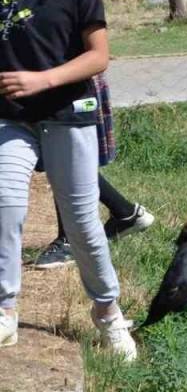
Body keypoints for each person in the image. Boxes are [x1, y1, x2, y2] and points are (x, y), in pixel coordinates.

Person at [0, 0, 136, 358]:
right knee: (5, 204)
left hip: (67, 117)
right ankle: (5, 310)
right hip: (10, 121)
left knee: (81, 224)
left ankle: (108, 314)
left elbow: (99, 57)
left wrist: (43, 80)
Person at [33, 75, 153, 269]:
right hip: (43, 77)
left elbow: (96, 55)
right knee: (58, 156)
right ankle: (125, 213)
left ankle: (70, 239)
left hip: (64, 82)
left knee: (62, 154)